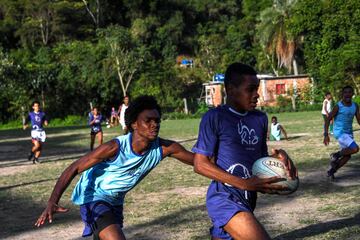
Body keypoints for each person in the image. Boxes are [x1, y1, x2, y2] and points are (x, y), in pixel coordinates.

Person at [35, 95, 194, 240]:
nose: (154, 125)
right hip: (94, 197)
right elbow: (74, 167)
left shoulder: (164, 148)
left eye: (157, 120)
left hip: (115, 202)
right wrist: (52, 201)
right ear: (134, 124)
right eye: (148, 120)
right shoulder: (115, 147)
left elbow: (199, 162)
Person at [192, 62, 297, 240]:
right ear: (231, 89)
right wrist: (245, 183)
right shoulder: (215, 117)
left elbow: (259, 161)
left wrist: (279, 159)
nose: (257, 95)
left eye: (257, 89)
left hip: (248, 200)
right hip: (224, 199)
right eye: (251, 89)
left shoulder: (260, 119)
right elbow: (200, 164)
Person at [323, 85, 360, 180]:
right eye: (345, 92)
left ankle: (331, 171)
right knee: (355, 148)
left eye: (349, 92)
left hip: (349, 133)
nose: (348, 94)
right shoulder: (338, 106)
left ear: (352, 94)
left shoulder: (355, 106)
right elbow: (328, 119)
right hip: (339, 132)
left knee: (347, 156)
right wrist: (326, 134)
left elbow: (359, 120)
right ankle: (335, 155)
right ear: (342, 94)